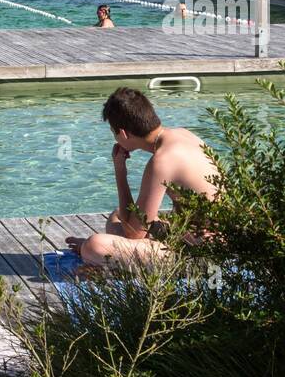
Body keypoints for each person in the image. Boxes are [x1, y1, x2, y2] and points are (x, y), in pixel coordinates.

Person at [66, 87, 220, 268]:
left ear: (123, 133)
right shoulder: (182, 134)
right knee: (116, 217)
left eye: (113, 133)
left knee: (95, 246)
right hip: (210, 237)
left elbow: (133, 233)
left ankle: (106, 264)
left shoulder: (162, 161)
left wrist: (120, 171)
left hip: (203, 255)